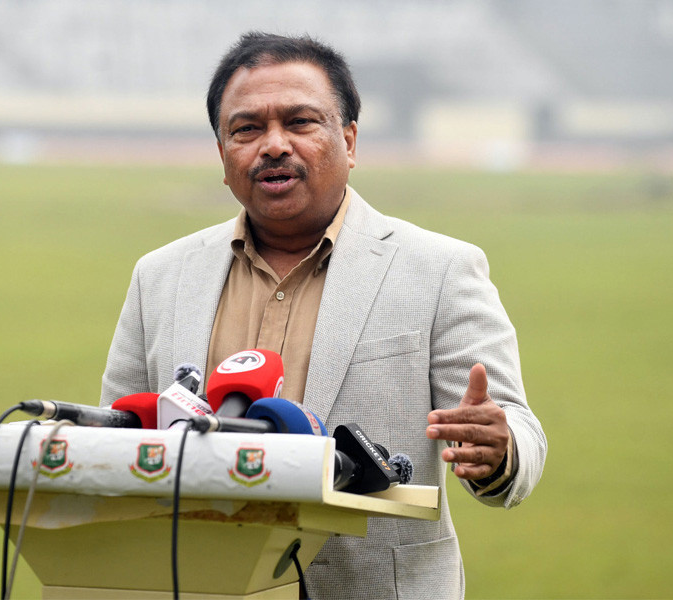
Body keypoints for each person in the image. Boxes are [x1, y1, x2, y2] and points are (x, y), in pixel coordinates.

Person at [101, 31, 546, 599]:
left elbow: (516, 427)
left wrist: (498, 450)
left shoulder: (440, 270)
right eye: (246, 129)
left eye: (300, 122)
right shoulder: (160, 277)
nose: (273, 145)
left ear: (349, 140)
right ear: (222, 155)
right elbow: (115, 440)